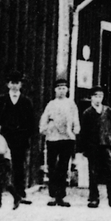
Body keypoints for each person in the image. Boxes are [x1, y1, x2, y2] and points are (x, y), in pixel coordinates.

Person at [0, 71, 37, 207]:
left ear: (21, 85)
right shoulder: (1, 100)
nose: (14, 86)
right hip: (3, 139)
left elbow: (31, 122)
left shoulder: (26, 101)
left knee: (19, 167)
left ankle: (20, 194)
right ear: (8, 85)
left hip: (20, 140)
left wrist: (25, 136)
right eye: (12, 83)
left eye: (17, 83)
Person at [79, 85, 111, 209]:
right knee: (93, 172)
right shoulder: (87, 113)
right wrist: (83, 148)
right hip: (92, 146)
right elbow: (84, 132)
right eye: (96, 96)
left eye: (100, 96)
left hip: (106, 144)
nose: (98, 99)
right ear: (91, 98)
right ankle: (94, 198)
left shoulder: (108, 111)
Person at [39, 77, 80, 207]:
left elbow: (75, 119)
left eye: (63, 88)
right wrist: (45, 129)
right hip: (53, 138)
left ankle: (61, 195)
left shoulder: (71, 104)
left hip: (66, 138)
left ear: (67, 90)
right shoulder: (51, 104)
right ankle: (53, 195)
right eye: (59, 88)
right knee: (52, 166)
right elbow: (44, 119)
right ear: (55, 90)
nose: (61, 91)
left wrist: (75, 130)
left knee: (63, 166)